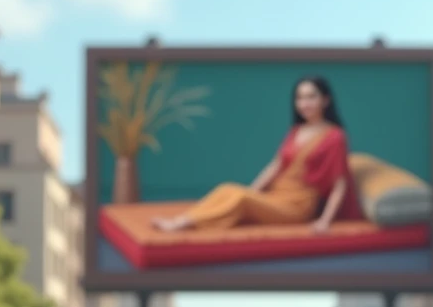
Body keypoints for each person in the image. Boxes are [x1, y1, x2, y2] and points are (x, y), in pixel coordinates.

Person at [152, 76, 363, 233]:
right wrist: (252, 192)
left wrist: (324, 222)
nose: (304, 104)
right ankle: (183, 218)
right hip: (276, 196)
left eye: (311, 97)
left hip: (297, 206)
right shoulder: (296, 131)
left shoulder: (335, 136)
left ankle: (184, 224)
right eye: (299, 98)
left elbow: (339, 183)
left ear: (325, 100)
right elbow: (275, 166)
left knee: (241, 198)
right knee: (229, 188)